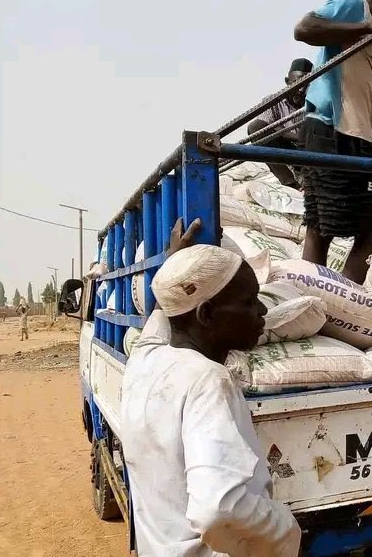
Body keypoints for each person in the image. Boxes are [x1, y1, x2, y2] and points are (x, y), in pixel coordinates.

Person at [120, 218, 300, 557]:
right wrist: (285, 530)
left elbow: (163, 320)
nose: (262, 310)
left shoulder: (144, 362)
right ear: (206, 315)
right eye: (249, 301)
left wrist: (177, 264)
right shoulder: (207, 380)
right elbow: (219, 507)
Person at [294, 0, 372, 281]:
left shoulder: (369, 38)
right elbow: (303, 28)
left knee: (319, 228)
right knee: (370, 232)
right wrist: (370, 24)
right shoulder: (355, 5)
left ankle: (311, 289)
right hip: (337, 131)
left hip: (333, 130)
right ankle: (345, 298)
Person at [246, 58, 314, 188]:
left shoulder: (315, 104)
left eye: (306, 85)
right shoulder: (274, 101)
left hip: (309, 153)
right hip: (286, 150)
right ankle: (290, 183)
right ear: (287, 82)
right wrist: (301, 137)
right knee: (256, 127)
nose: (301, 90)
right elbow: (264, 128)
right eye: (297, 83)